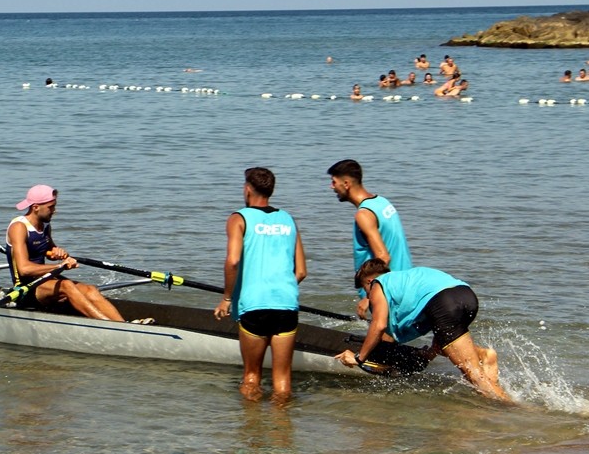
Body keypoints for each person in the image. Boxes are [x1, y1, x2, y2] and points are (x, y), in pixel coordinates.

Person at [336, 259, 509, 402]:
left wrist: (359, 358)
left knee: (474, 376)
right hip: (466, 295)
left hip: (444, 303)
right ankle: (482, 355)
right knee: (448, 347)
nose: (366, 295)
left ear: (368, 281)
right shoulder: (405, 280)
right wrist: (428, 354)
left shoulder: (377, 285)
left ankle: (515, 410)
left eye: (364, 290)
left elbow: (379, 325)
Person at [214, 167, 307, 403]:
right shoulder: (288, 219)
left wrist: (226, 298)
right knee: (283, 380)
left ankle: (252, 434)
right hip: (286, 302)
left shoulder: (239, 218)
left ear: (247, 189)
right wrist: (280, 286)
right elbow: (302, 271)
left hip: (255, 304)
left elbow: (233, 261)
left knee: (252, 377)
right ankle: (282, 432)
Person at [6, 185, 126, 321]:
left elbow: (48, 251)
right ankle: (108, 325)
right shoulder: (18, 228)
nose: (54, 211)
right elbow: (24, 269)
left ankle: (123, 324)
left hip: (46, 279)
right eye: (51, 207)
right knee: (67, 286)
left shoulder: (45, 225)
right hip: (25, 288)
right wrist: (59, 266)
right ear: (36, 207)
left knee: (90, 290)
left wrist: (57, 253)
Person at [327, 159, 412, 309]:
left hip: (387, 291)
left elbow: (383, 256)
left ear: (346, 184)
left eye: (334, 182)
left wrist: (369, 296)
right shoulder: (382, 202)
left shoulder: (364, 214)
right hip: (403, 284)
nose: (331, 187)